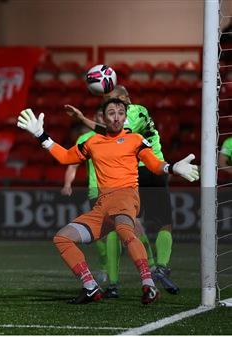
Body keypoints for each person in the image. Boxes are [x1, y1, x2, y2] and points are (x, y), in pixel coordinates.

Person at [17, 98, 199, 304]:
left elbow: (154, 164)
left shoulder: (135, 139)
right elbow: (66, 157)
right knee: (62, 238)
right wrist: (41, 136)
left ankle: (148, 285)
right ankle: (90, 287)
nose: (117, 117)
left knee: (124, 230)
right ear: (103, 117)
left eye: (121, 112)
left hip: (125, 197)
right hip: (103, 206)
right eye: (111, 112)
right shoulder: (92, 142)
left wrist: (172, 168)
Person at [65, 85, 177, 295]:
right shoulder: (137, 112)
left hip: (137, 171)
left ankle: (117, 282)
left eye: (115, 98)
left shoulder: (134, 112)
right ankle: (159, 267)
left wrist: (82, 119)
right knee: (162, 224)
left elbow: (115, 131)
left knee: (121, 226)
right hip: (146, 170)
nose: (112, 103)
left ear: (126, 98)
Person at [61, 108, 113, 288]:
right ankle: (107, 271)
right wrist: (67, 184)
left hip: (118, 192)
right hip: (95, 192)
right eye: (98, 116)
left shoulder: (118, 136)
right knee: (101, 235)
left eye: (103, 116)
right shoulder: (85, 139)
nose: (101, 119)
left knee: (127, 231)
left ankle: (151, 268)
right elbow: (73, 166)